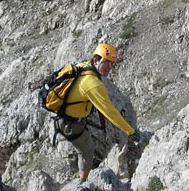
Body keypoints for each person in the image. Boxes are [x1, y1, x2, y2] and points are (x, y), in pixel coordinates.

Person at [57, 42, 139, 182]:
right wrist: (131, 131)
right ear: (96, 60)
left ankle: (83, 180)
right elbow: (111, 113)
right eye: (106, 62)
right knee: (87, 152)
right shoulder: (93, 83)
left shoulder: (84, 67)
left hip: (70, 117)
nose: (109, 67)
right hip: (69, 123)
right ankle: (82, 184)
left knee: (88, 148)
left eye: (112, 63)